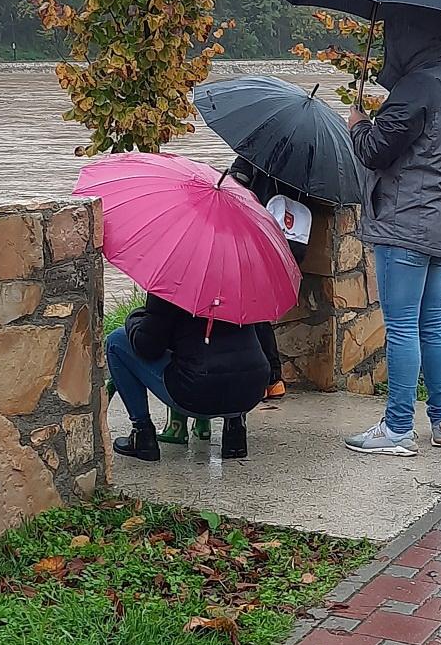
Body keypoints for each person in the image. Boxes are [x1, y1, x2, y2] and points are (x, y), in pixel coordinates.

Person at [344, 11, 441, 456]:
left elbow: (378, 151)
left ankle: (397, 427)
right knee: (431, 323)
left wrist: (359, 123)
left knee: (401, 326)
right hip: (439, 220)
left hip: (404, 223)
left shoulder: (417, 86)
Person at [107, 293, 270, 462]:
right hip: (251, 391)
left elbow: (147, 346)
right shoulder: (240, 282)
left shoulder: (171, 283)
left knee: (116, 341)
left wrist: (137, 316)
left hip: (195, 393)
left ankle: (142, 435)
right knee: (234, 357)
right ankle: (235, 431)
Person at [229, 155, 312, 399]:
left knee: (250, 309)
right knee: (259, 309)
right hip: (292, 241)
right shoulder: (305, 155)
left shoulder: (257, 148)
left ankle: (267, 378)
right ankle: (273, 379)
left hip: (260, 235)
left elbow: (238, 184)